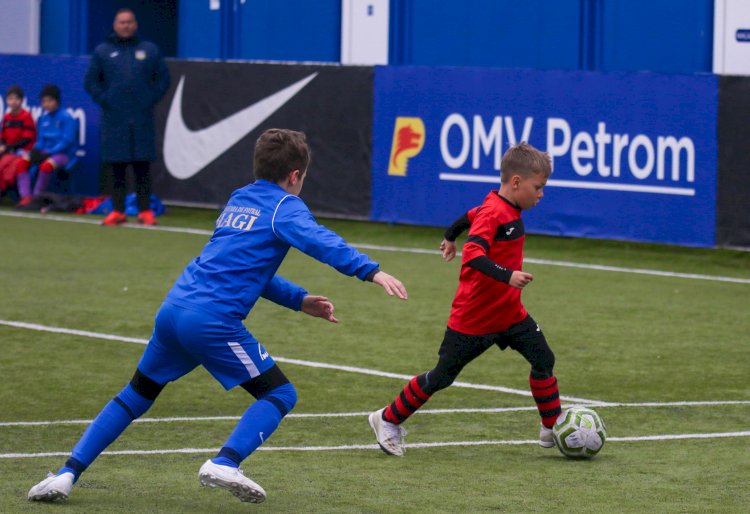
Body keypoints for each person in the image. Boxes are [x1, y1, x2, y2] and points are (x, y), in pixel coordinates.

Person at [28, 128, 408, 504]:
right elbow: (322, 242)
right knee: (279, 393)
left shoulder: (240, 198)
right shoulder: (284, 206)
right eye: (303, 177)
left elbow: (244, 268)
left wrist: (298, 300)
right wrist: (370, 270)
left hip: (174, 310)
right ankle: (225, 462)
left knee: (136, 395)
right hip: (211, 321)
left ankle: (65, 474)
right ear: (295, 176)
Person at [368, 141, 560, 457]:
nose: (541, 194)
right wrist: (508, 275)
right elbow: (473, 255)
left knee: (544, 360)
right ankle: (387, 418)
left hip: (510, 314)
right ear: (516, 182)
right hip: (474, 319)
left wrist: (448, 235)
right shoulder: (494, 212)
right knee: (442, 377)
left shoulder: (500, 207)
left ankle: (551, 426)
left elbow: (467, 216)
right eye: (538, 187)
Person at [84, 7, 170, 226]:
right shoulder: (103, 51)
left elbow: (163, 79)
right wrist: (106, 100)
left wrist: (148, 99)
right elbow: (91, 81)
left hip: (141, 118)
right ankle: (118, 211)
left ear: (135, 24)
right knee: (117, 167)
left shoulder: (148, 50)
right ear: (115, 25)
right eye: (122, 22)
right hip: (114, 119)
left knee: (142, 166)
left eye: (129, 22)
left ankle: (145, 211)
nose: (126, 26)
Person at [14, 84, 77, 207]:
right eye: (44, 101)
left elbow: (67, 141)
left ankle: (37, 197)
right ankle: (26, 197)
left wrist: (50, 153)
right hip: (45, 152)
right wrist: (35, 151)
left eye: (50, 101)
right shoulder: (43, 118)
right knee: (22, 163)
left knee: (46, 166)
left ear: (57, 101)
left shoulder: (67, 118)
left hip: (63, 154)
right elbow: (40, 140)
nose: (46, 104)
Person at [0, 85, 36, 196]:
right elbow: (2, 137)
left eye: (16, 99)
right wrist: (2, 145)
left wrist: (8, 148)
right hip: (9, 151)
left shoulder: (26, 116)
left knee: (10, 164)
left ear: (21, 101)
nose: (13, 102)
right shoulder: (6, 117)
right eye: (10, 99)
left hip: (24, 152)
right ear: (7, 101)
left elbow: (27, 139)